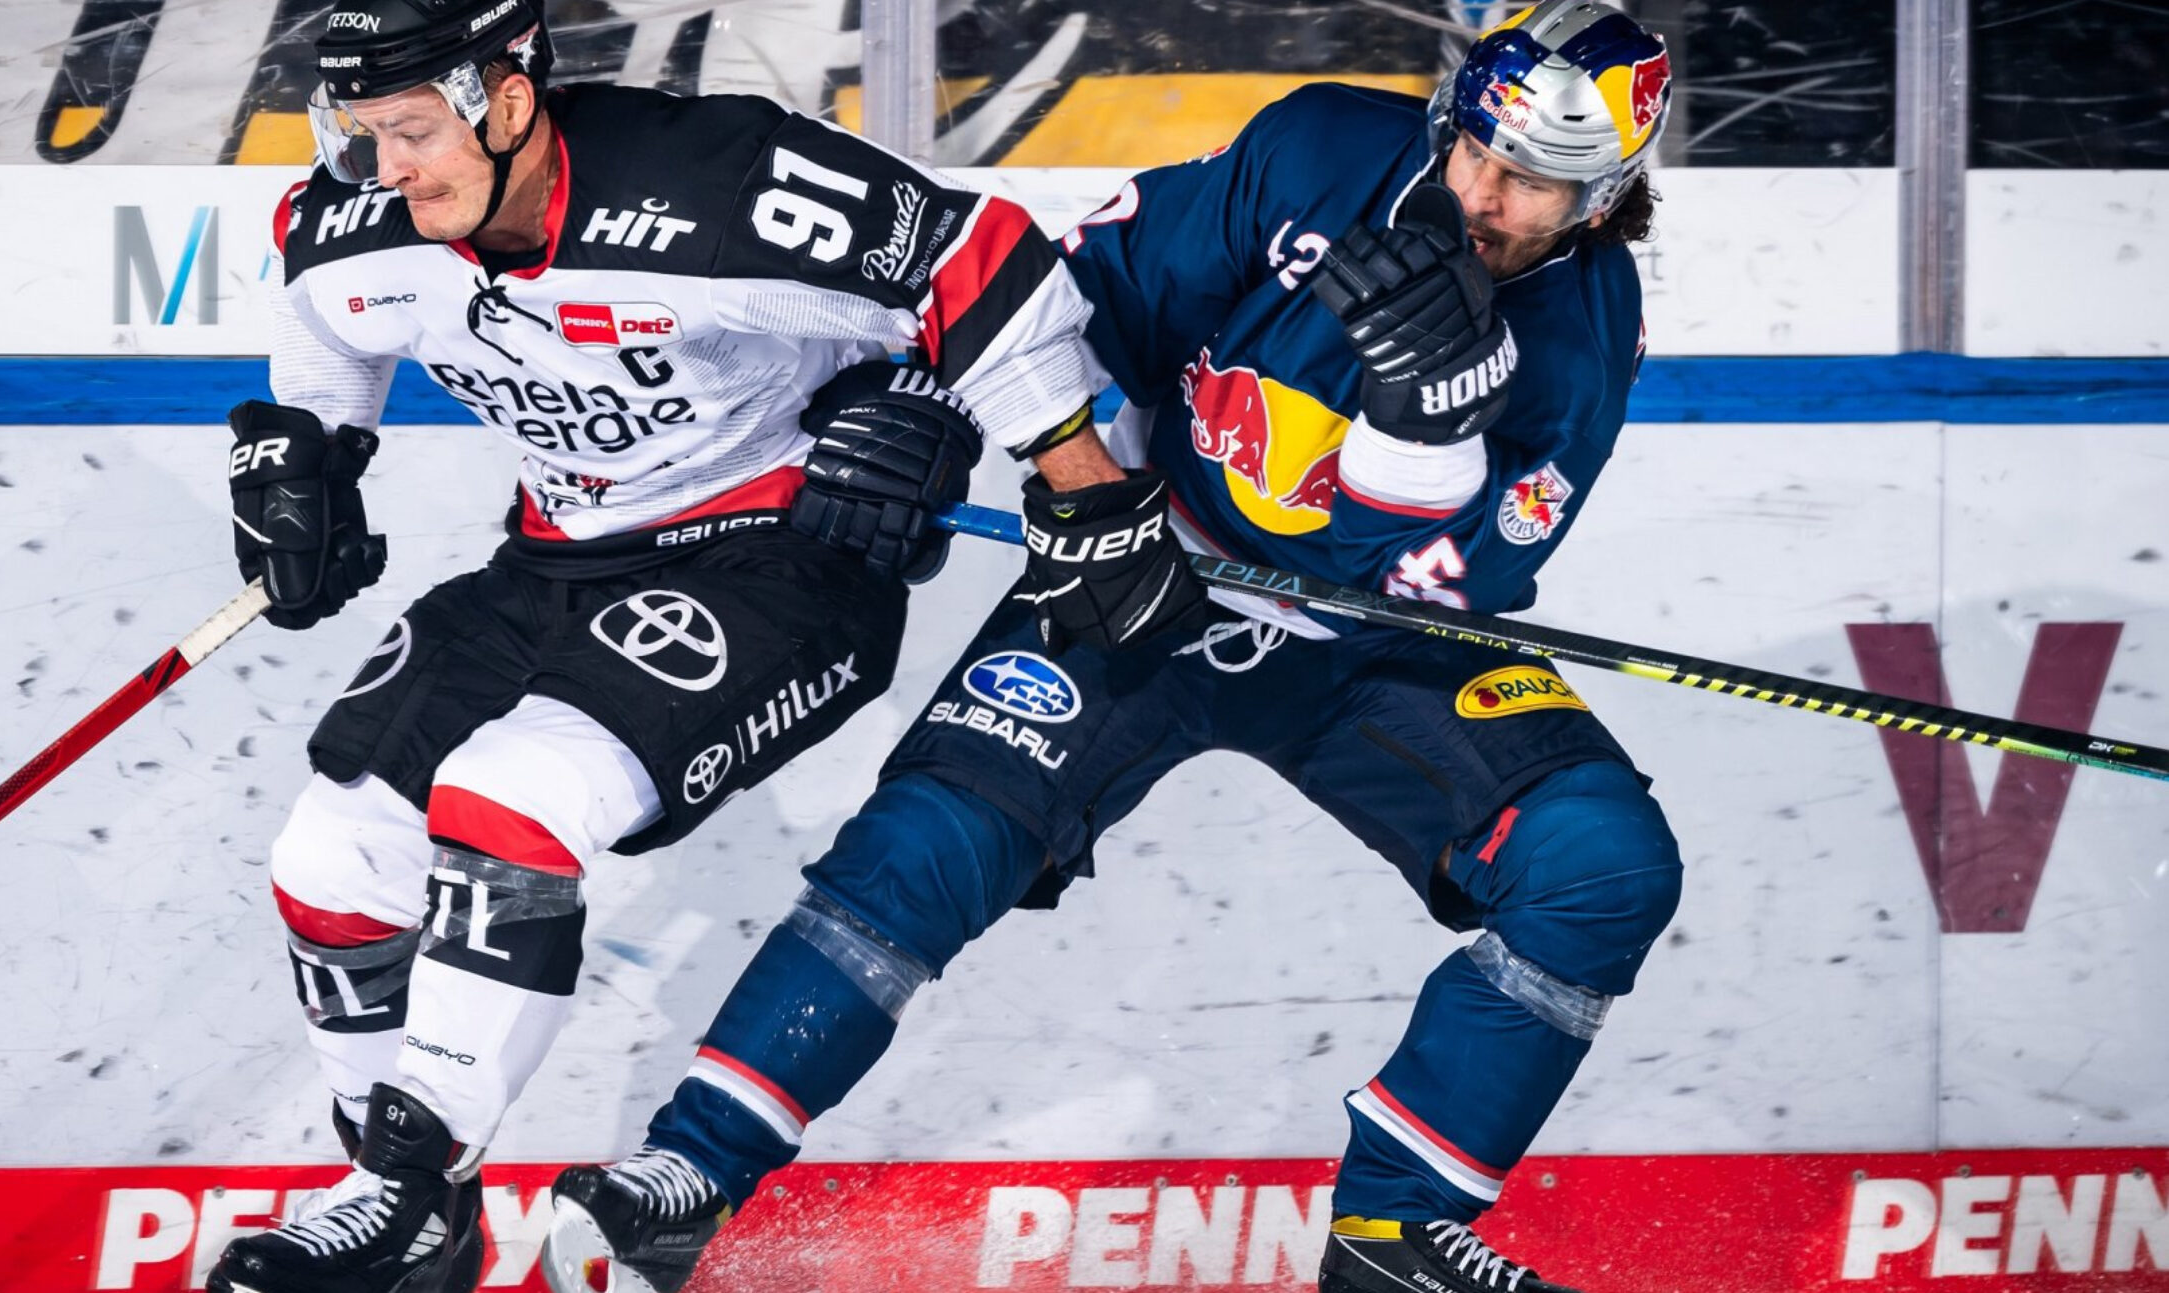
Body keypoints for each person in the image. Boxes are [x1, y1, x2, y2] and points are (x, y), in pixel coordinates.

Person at [539, 5, 1682, 1293]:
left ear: (1602, 198)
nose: (1482, 194)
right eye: (1475, 149)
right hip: (1139, 574)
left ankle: (1393, 1235)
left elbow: (1452, 574)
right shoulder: (1318, 152)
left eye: (1532, 184)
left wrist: (1420, 438)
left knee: (1602, 867)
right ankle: (688, 1174)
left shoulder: (1587, 330)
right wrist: (930, 411)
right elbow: (1093, 293)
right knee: (924, 846)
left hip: (1364, 645)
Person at [200, 0, 1105, 1287]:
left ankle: (403, 1181)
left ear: (510, 102)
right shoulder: (358, 220)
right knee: (331, 852)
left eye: (412, 130)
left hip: (780, 559)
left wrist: (991, 442)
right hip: (555, 560)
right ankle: (411, 1212)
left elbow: (982, 257)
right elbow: (325, 323)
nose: (385, 168)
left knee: (513, 794)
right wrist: (314, 454)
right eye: (360, 133)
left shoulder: (712, 180)